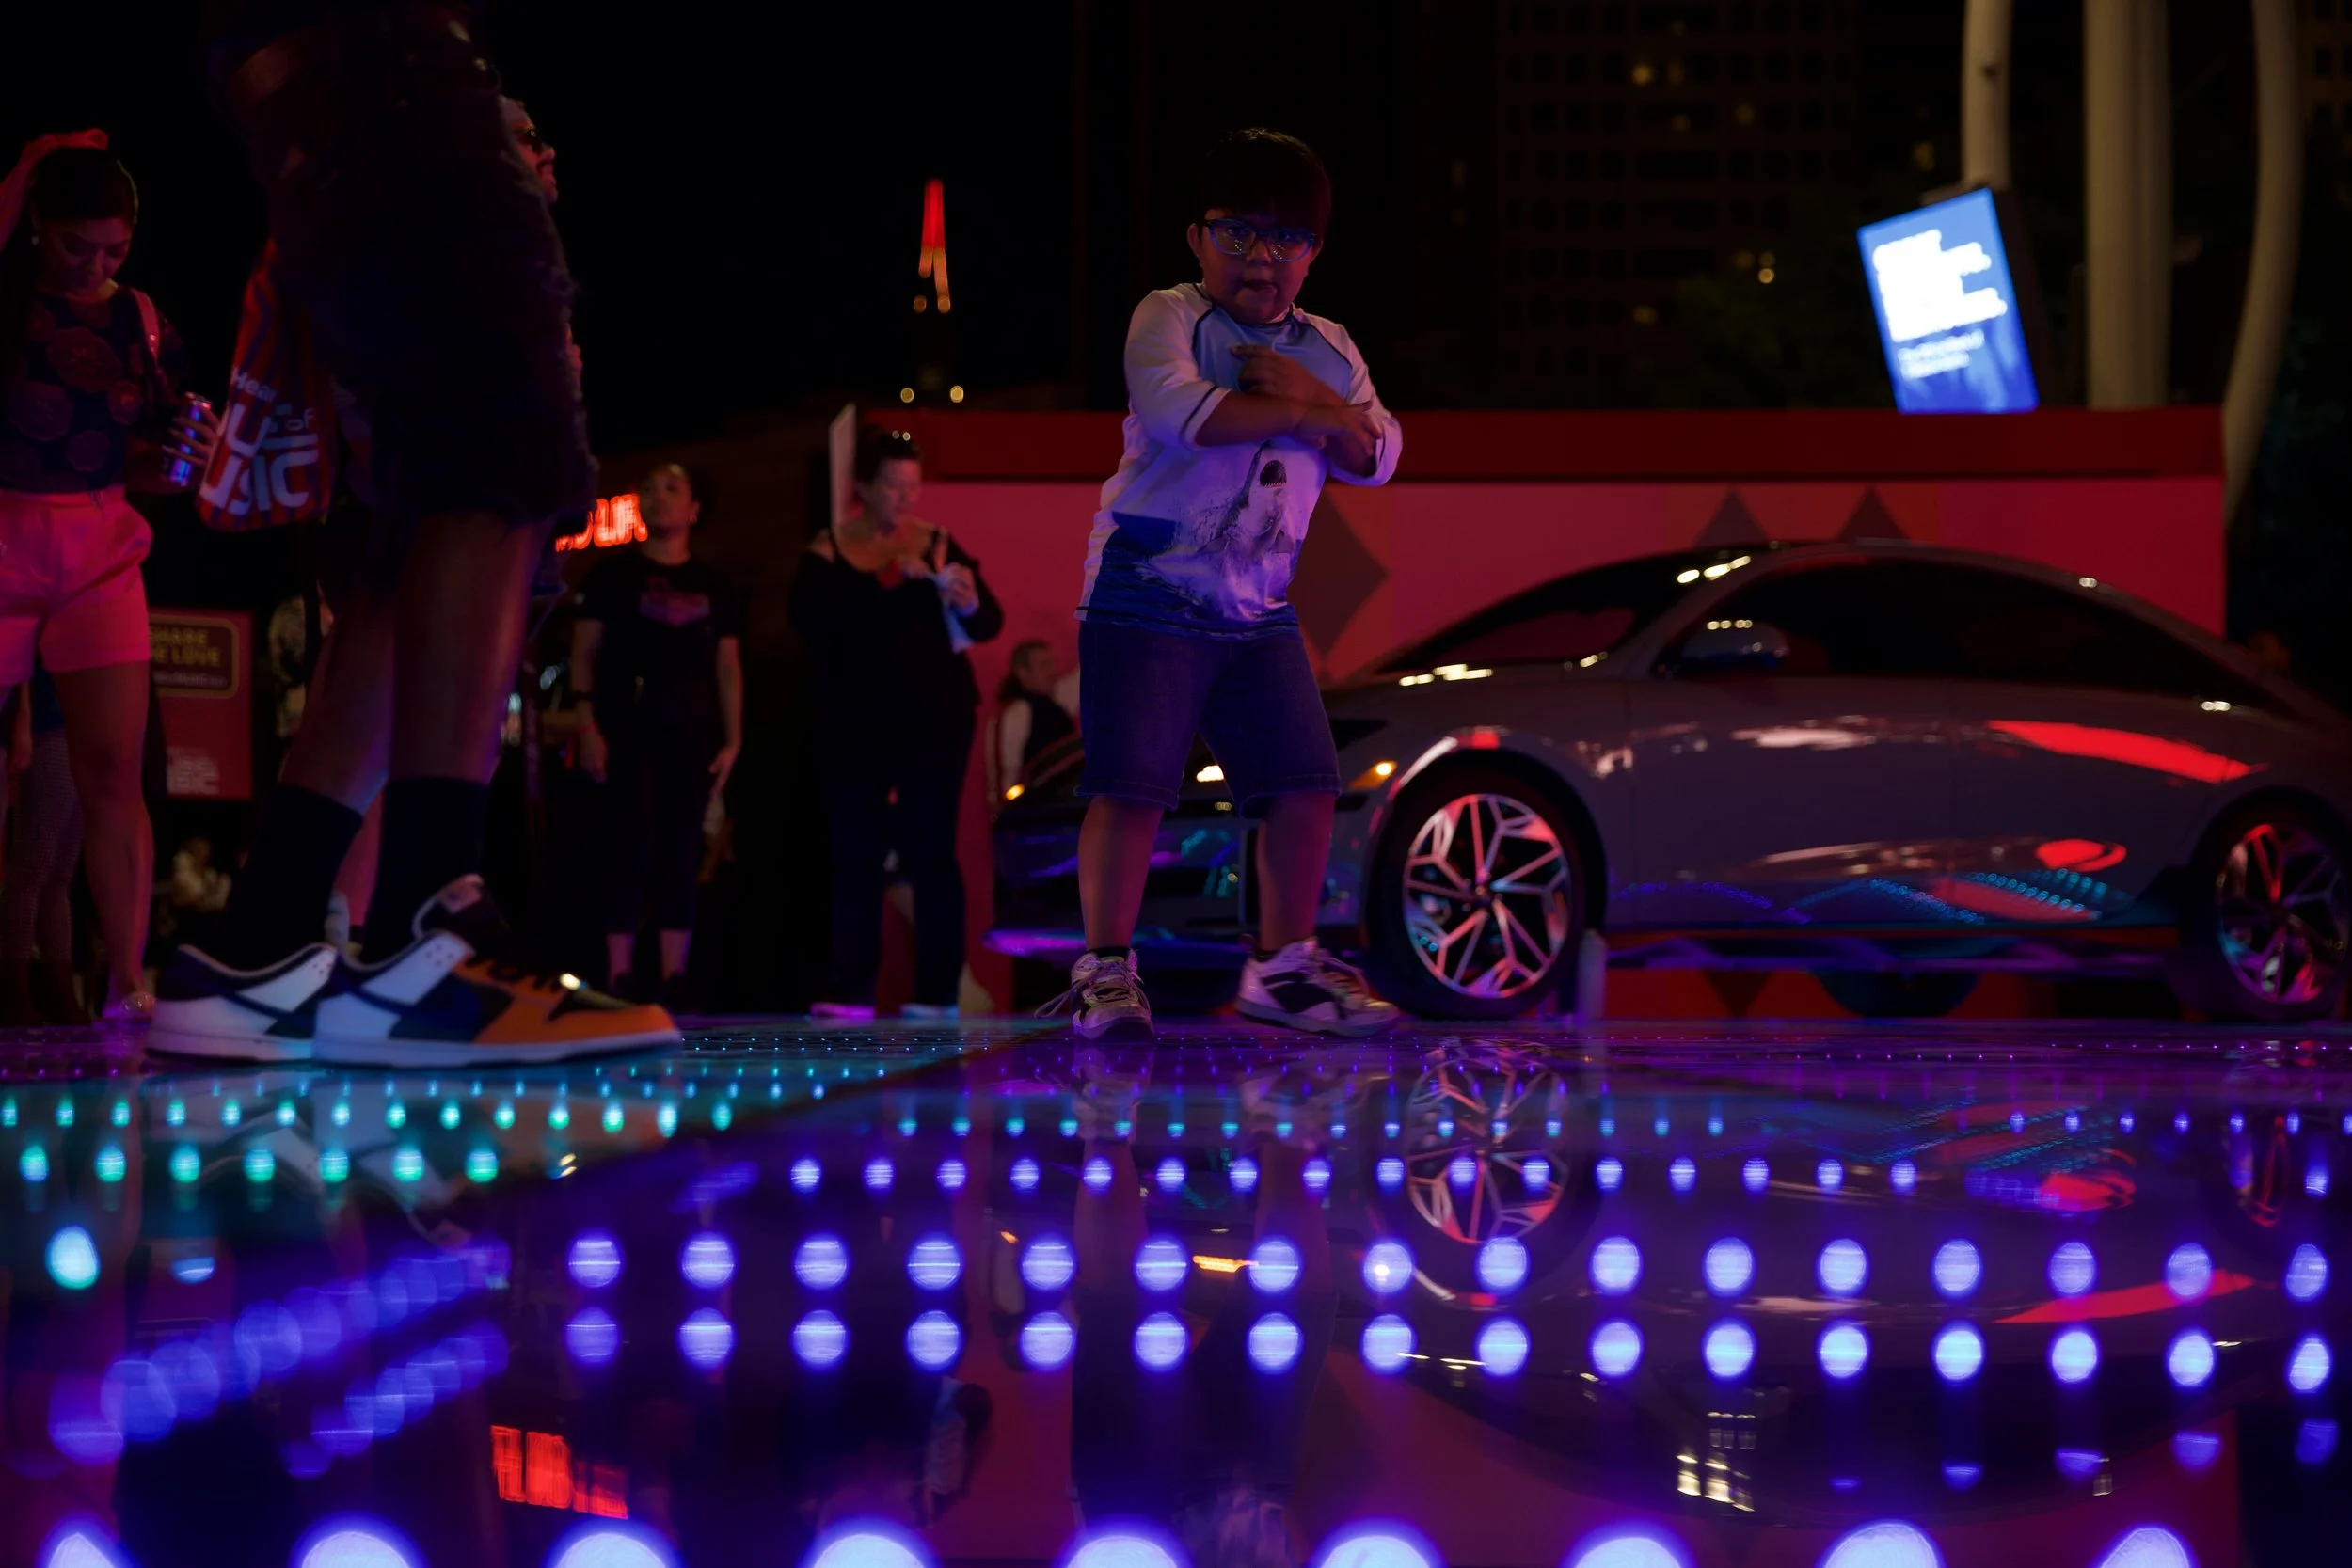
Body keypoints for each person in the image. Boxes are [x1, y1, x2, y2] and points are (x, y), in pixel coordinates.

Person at [150, 8, 676, 1065]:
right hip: (371, 52)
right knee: (500, 437)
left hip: (329, 65)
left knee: (425, 506)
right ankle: (421, 937)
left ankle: (265, 939)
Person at [1058, 128, 1403, 1041]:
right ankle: (1104, 969)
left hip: (1258, 603)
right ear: (1196, 239)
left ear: (1314, 251)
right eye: (1237, 232)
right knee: (1132, 785)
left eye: (1286, 237)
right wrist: (1311, 409)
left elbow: (1378, 455)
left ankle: (1282, 967)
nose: (1261, 257)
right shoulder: (1170, 316)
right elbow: (1183, 415)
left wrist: (1316, 401)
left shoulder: (1329, 343)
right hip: (1148, 582)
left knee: (1304, 782)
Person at [0, 137, 222, 1022]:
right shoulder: (9, 299)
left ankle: (127, 982)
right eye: (74, 246)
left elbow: (154, 459)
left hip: (98, 542)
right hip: (5, 532)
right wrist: (22, 170)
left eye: (114, 250)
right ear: (34, 227)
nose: (94, 267)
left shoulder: (141, 320)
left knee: (112, 772)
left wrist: (187, 458)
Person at [787, 427, 1002, 1021]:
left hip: (934, 718)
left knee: (930, 846)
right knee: (855, 848)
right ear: (862, 487)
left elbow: (988, 622)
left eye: (912, 485)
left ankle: (938, 991)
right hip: (852, 720)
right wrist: (887, 577)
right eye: (892, 486)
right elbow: (807, 617)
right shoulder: (829, 549)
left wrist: (965, 597)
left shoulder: (937, 542)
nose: (905, 498)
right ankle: (850, 986)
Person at [570, 462, 744, 1007]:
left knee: (682, 848)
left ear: (695, 508)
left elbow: (728, 667)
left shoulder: (715, 585)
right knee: (629, 844)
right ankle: (618, 975)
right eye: (648, 488)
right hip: (629, 728)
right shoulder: (611, 577)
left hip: (692, 733)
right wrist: (586, 721)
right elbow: (584, 652)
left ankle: (674, 976)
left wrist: (733, 740)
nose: (657, 497)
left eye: (672, 488)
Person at [0, 666, 86, 1025]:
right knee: (33, 866)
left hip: (80, 732)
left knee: (58, 873)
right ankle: (15, 989)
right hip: (50, 728)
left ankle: (57, 988)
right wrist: (23, 720)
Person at [985, 639, 1076, 806]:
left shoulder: (1057, 706)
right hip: (1031, 811)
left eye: (1053, 664)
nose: (1053, 672)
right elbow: (1005, 773)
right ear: (1022, 672)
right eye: (1044, 665)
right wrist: (1008, 810)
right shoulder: (1015, 713)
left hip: (1063, 807)